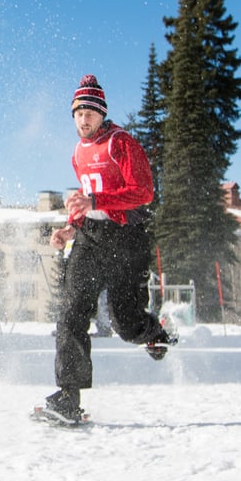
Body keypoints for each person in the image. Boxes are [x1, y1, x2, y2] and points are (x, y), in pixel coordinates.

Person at [42, 74, 176, 423]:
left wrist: (98, 199)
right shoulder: (77, 153)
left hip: (126, 237)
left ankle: (153, 332)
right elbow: (82, 199)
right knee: (71, 311)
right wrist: (69, 229)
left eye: (89, 113)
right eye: (78, 113)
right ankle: (68, 397)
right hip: (91, 238)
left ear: (102, 114)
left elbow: (144, 191)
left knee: (124, 321)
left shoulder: (122, 142)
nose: (83, 120)